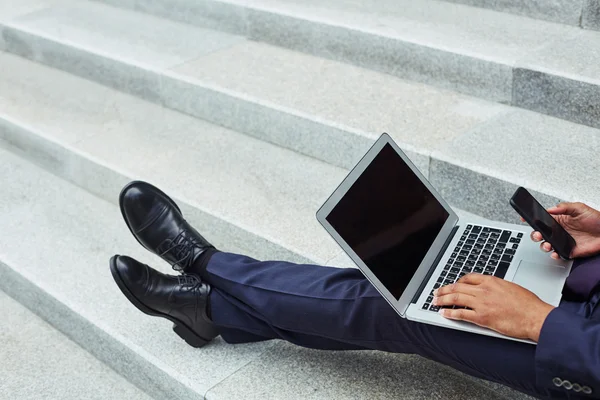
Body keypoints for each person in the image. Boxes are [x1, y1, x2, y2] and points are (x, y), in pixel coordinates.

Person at [110, 181, 600, 399]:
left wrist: (539, 322)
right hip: (586, 283)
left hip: (576, 348)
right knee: (408, 284)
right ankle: (212, 309)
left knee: (399, 307)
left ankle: (207, 269)